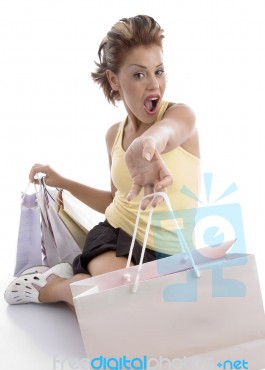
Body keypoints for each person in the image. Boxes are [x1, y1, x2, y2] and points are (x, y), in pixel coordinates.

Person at [4, 15, 200, 309]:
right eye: (139, 74)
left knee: (145, 310)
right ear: (113, 80)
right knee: (116, 298)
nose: (153, 84)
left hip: (173, 254)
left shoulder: (181, 117)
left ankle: (79, 280)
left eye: (158, 71)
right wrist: (63, 182)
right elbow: (114, 198)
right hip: (116, 238)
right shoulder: (114, 136)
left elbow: (167, 132)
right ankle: (50, 287)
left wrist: (148, 144)